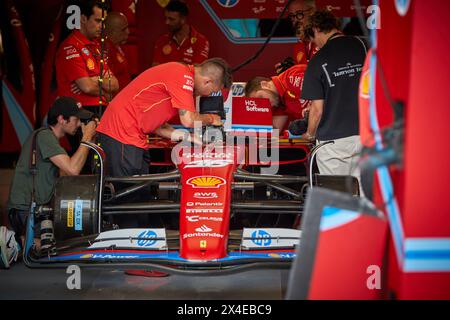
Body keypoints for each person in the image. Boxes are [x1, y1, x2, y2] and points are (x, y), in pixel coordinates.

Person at [96, 57, 232, 177]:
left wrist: (191, 138)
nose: (208, 95)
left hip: (132, 135)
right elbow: (188, 120)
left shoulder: (181, 77)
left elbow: (159, 127)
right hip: (121, 132)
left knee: (139, 192)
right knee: (127, 193)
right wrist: (212, 118)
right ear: (207, 82)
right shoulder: (183, 75)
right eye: (213, 91)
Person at [7, 97, 97, 247]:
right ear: (62, 119)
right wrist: (87, 136)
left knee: (68, 241)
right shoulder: (44, 136)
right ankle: (15, 242)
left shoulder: (52, 141)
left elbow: (67, 178)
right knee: (57, 247)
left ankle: (23, 242)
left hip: (37, 210)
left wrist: (90, 140)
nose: (79, 123)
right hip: (26, 212)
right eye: (76, 119)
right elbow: (73, 169)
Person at [300, 10, 367, 187]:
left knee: (336, 199)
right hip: (368, 135)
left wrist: (310, 133)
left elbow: (317, 109)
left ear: (315, 29)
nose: (315, 45)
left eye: (313, 39)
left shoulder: (317, 60)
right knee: (366, 198)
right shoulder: (364, 45)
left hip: (334, 143)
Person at [55, 0, 119, 112]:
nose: (102, 26)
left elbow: (114, 84)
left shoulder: (97, 46)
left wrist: (96, 80)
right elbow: (87, 87)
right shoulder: (70, 46)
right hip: (78, 113)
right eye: (98, 21)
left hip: (100, 111)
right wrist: (105, 93)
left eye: (104, 22)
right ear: (83, 19)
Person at [244, 64, 309, 131]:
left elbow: (319, 100)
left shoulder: (292, 75)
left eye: (260, 98)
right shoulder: (278, 101)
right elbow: (274, 131)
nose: (263, 104)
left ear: (265, 84)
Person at [152, 0, 209, 66]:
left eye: (171, 19)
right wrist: (182, 65)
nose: (167, 22)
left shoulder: (201, 41)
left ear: (183, 19)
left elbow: (197, 69)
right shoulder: (162, 40)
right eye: (166, 18)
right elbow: (155, 68)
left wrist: (170, 66)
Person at [275, 0, 317, 74]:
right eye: (292, 16)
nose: (295, 20)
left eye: (299, 14)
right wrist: (288, 72)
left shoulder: (325, 39)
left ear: (312, 12)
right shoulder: (299, 45)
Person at [105, 11, 131, 90]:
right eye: (123, 29)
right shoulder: (105, 50)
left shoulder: (118, 46)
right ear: (112, 32)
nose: (128, 32)